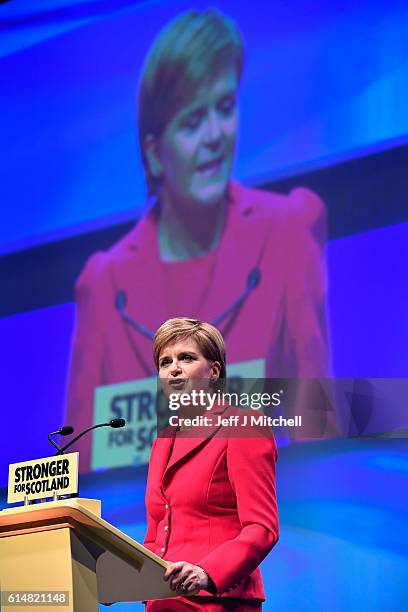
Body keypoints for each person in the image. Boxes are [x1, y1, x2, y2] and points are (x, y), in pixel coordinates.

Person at [66, 9, 335, 473]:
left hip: (270, 529)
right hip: (138, 538)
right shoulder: (105, 285)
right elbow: (77, 468)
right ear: (154, 152)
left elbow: (319, 435)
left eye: (225, 108)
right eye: (192, 122)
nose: (215, 136)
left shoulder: (288, 230)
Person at [144, 317, 279, 611]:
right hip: (163, 604)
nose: (174, 368)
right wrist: (121, 577)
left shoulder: (244, 425)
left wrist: (206, 572)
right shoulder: (162, 441)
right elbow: (156, 536)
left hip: (218, 601)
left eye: (186, 358)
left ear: (214, 371)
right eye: (165, 362)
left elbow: (262, 527)